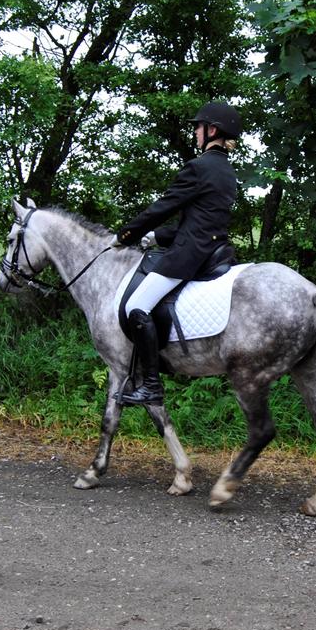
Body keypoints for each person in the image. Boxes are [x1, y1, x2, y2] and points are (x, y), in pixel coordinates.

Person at [111, 100, 241, 405]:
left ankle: (151, 386)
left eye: (198, 127)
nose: (195, 133)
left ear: (211, 130)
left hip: (189, 255)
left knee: (137, 307)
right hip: (213, 248)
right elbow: (201, 221)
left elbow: (162, 207)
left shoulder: (199, 167)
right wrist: (159, 236)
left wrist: (128, 233)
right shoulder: (226, 171)